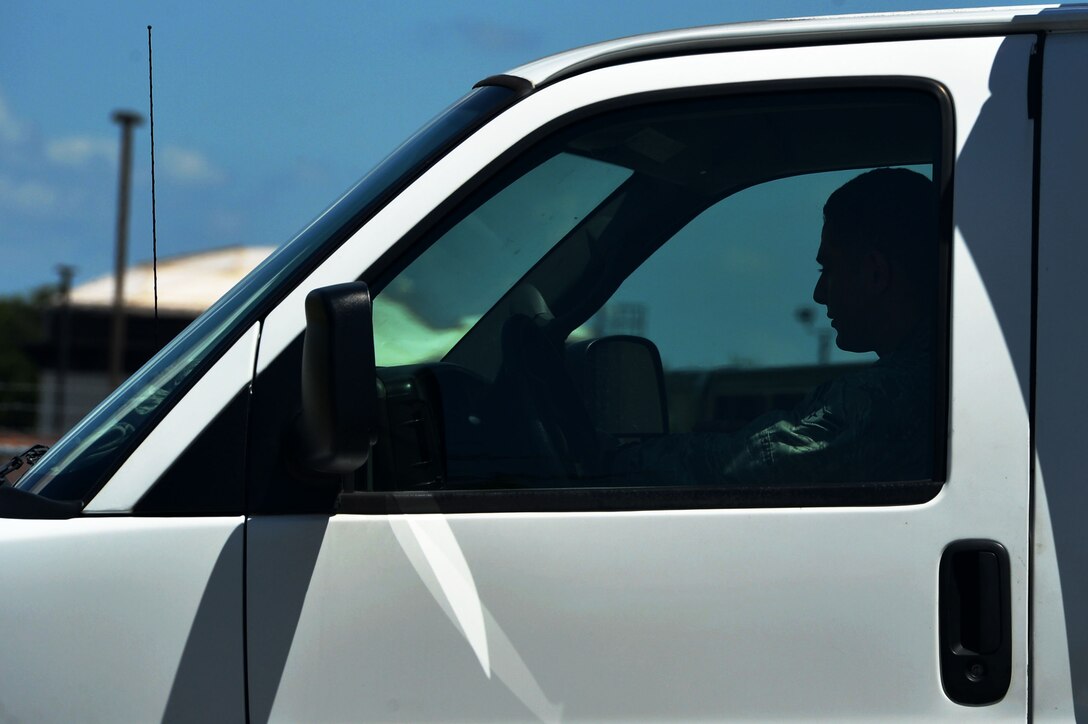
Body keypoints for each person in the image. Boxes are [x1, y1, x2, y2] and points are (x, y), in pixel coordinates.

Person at [614, 167, 939, 485]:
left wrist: (622, 459)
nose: (819, 293)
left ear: (874, 274)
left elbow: (763, 462)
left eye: (828, 269)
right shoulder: (935, 377)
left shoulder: (890, 397)